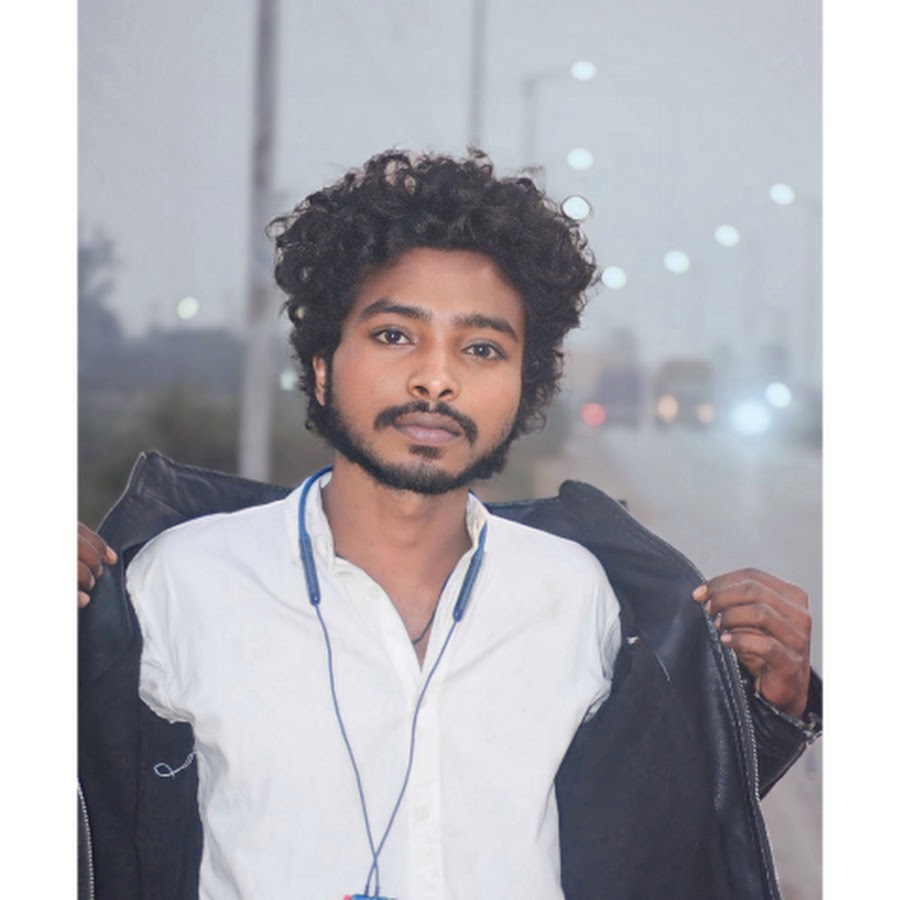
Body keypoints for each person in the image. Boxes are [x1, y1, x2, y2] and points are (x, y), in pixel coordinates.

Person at [77, 149, 821, 900]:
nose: (436, 379)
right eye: (395, 335)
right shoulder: (179, 581)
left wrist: (765, 711)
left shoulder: (581, 596)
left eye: (482, 349)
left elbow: (656, 836)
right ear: (324, 365)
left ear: (524, 386)